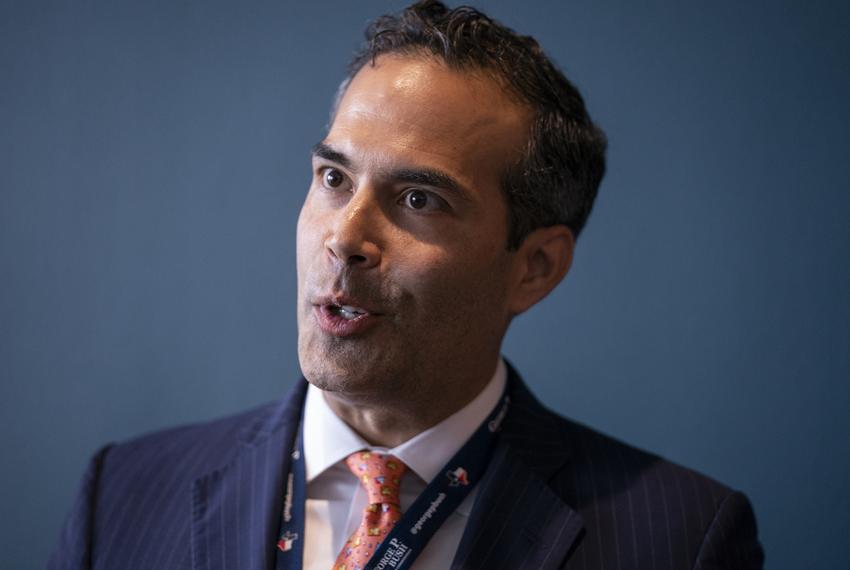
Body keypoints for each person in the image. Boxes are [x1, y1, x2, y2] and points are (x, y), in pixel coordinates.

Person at [48, 2, 764, 569]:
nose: (345, 238)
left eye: (419, 199)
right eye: (333, 179)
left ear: (535, 267)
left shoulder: (682, 539)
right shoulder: (123, 495)